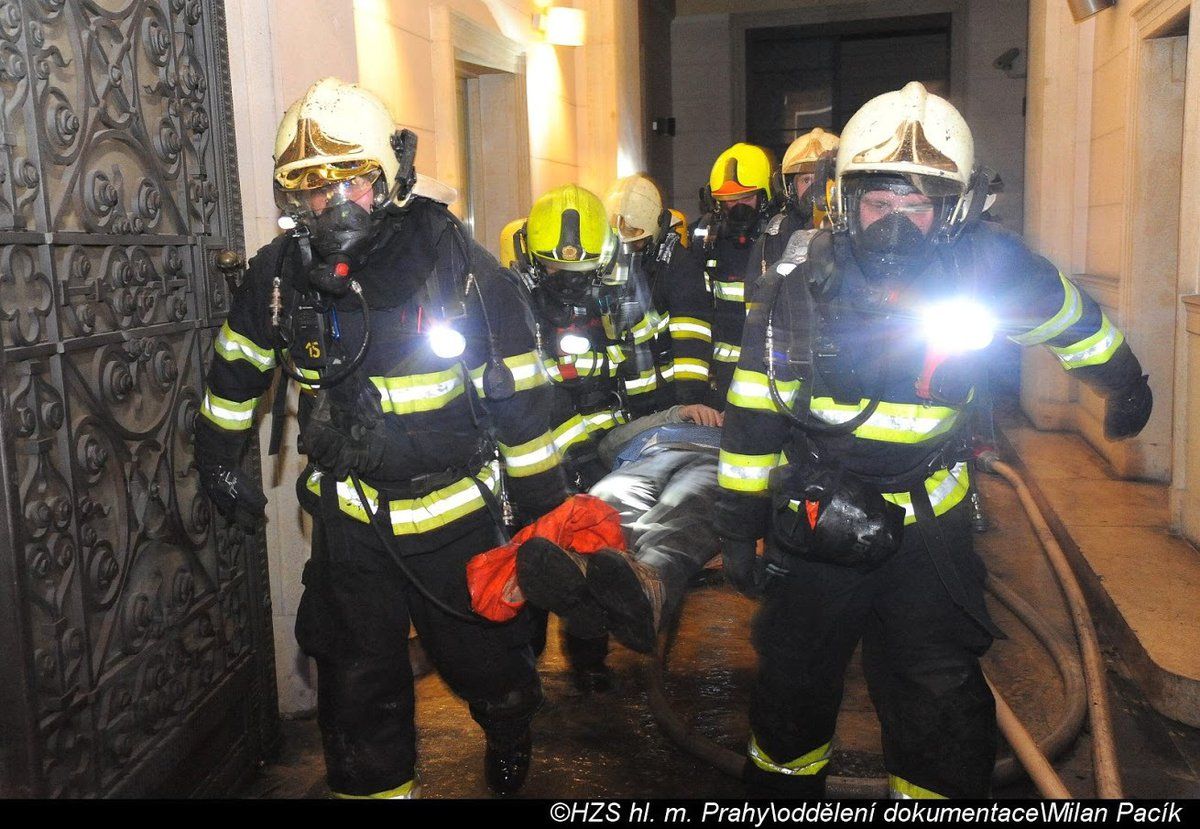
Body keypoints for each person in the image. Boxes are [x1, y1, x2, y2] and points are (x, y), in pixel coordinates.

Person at [716, 81, 1153, 800]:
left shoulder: (988, 266)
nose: (894, 223)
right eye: (878, 203)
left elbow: (1070, 319)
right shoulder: (794, 284)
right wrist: (738, 525)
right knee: (792, 684)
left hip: (928, 528)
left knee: (938, 697)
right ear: (843, 200)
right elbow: (753, 411)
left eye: (916, 205)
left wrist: (1124, 379)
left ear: (953, 210)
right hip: (818, 524)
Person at [193, 78, 568, 798]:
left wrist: (543, 514)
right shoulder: (281, 277)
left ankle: (510, 719)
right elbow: (238, 364)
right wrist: (218, 454)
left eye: (350, 183)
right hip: (349, 524)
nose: (332, 206)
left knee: (485, 663)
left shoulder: (454, 262)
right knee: (357, 691)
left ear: (389, 174)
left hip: (455, 519)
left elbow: (520, 396)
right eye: (311, 189)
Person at [603, 174, 713, 416]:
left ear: (656, 229)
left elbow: (692, 342)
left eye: (637, 244)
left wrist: (689, 404)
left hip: (670, 397)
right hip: (628, 401)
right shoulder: (611, 262)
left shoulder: (681, 266)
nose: (628, 252)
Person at [692, 142, 776, 407]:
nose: (737, 209)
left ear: (767, 195)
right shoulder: (706, 240)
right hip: (722, 377)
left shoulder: (780, 239)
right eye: (728, 202)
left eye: (746, 198)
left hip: (769, 373)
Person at [745, 128, 839, 294]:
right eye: (806, 180)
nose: (815, 189)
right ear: (790, 188)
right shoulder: (772, 240)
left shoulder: (854, 235)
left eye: (823, 179)